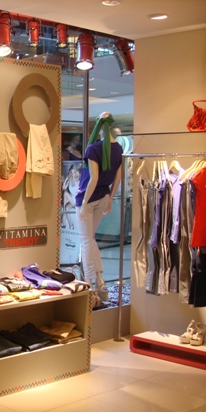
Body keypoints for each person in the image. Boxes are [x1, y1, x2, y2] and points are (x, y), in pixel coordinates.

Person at [75, 112, 123, 292]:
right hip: (103, 196)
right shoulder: (118, 148)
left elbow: (93, 178)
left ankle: (88, 282)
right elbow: (118, 177)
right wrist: (110, 198)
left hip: (88, 197)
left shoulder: (93, 148)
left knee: (85, 240)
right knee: (91, 238)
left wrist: (84, 202)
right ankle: (100, 279)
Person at [62, 164, 80, 230]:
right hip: (72, 199)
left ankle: (63, 221)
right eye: (71, 172)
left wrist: (75, 181)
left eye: (74, 172)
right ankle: (71, 225)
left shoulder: (78, 180)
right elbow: (64, 188)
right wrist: (66, 179)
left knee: (65, 194)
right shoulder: (70, 180)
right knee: (66, 207)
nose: (73, 174)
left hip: (76, 199)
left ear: (76, 172)